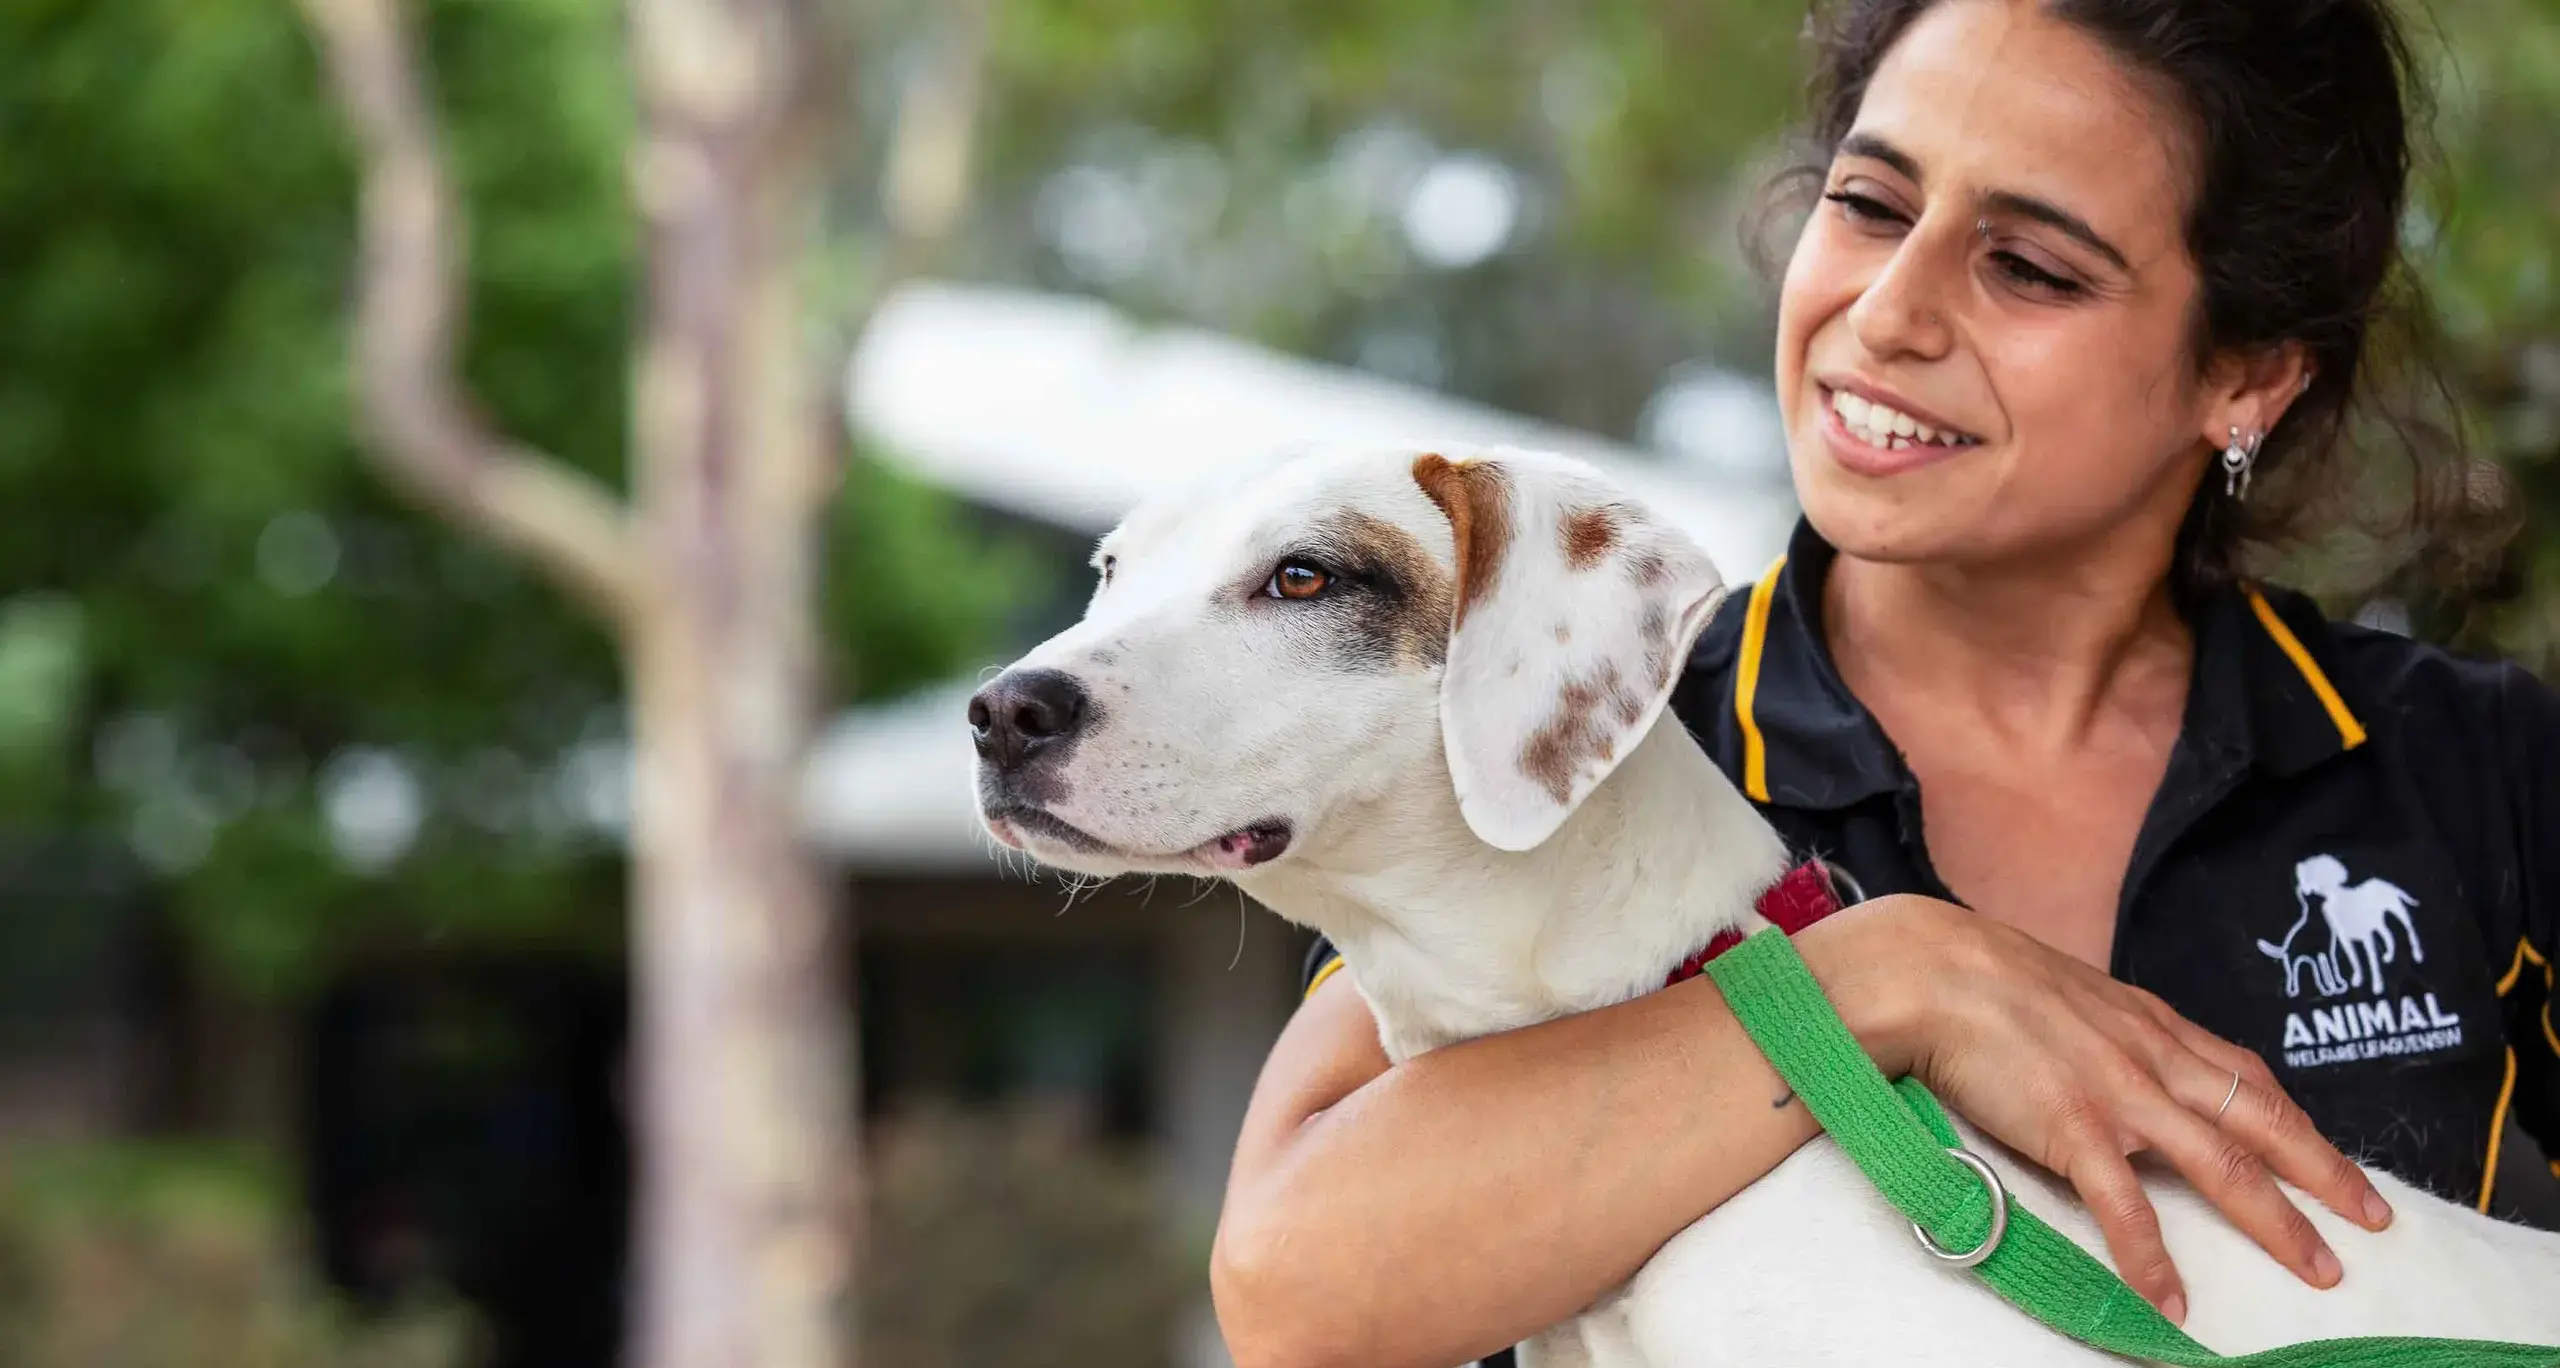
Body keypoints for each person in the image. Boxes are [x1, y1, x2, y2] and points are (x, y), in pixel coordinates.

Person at [1209, 2, 2560, 1366]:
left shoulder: (2480, 771)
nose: (1892, 310)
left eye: (2029, 268)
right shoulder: (1593, 731)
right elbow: (1295, 1294)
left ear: (2246, 377)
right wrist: (1874, 982)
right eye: (1868, 203)